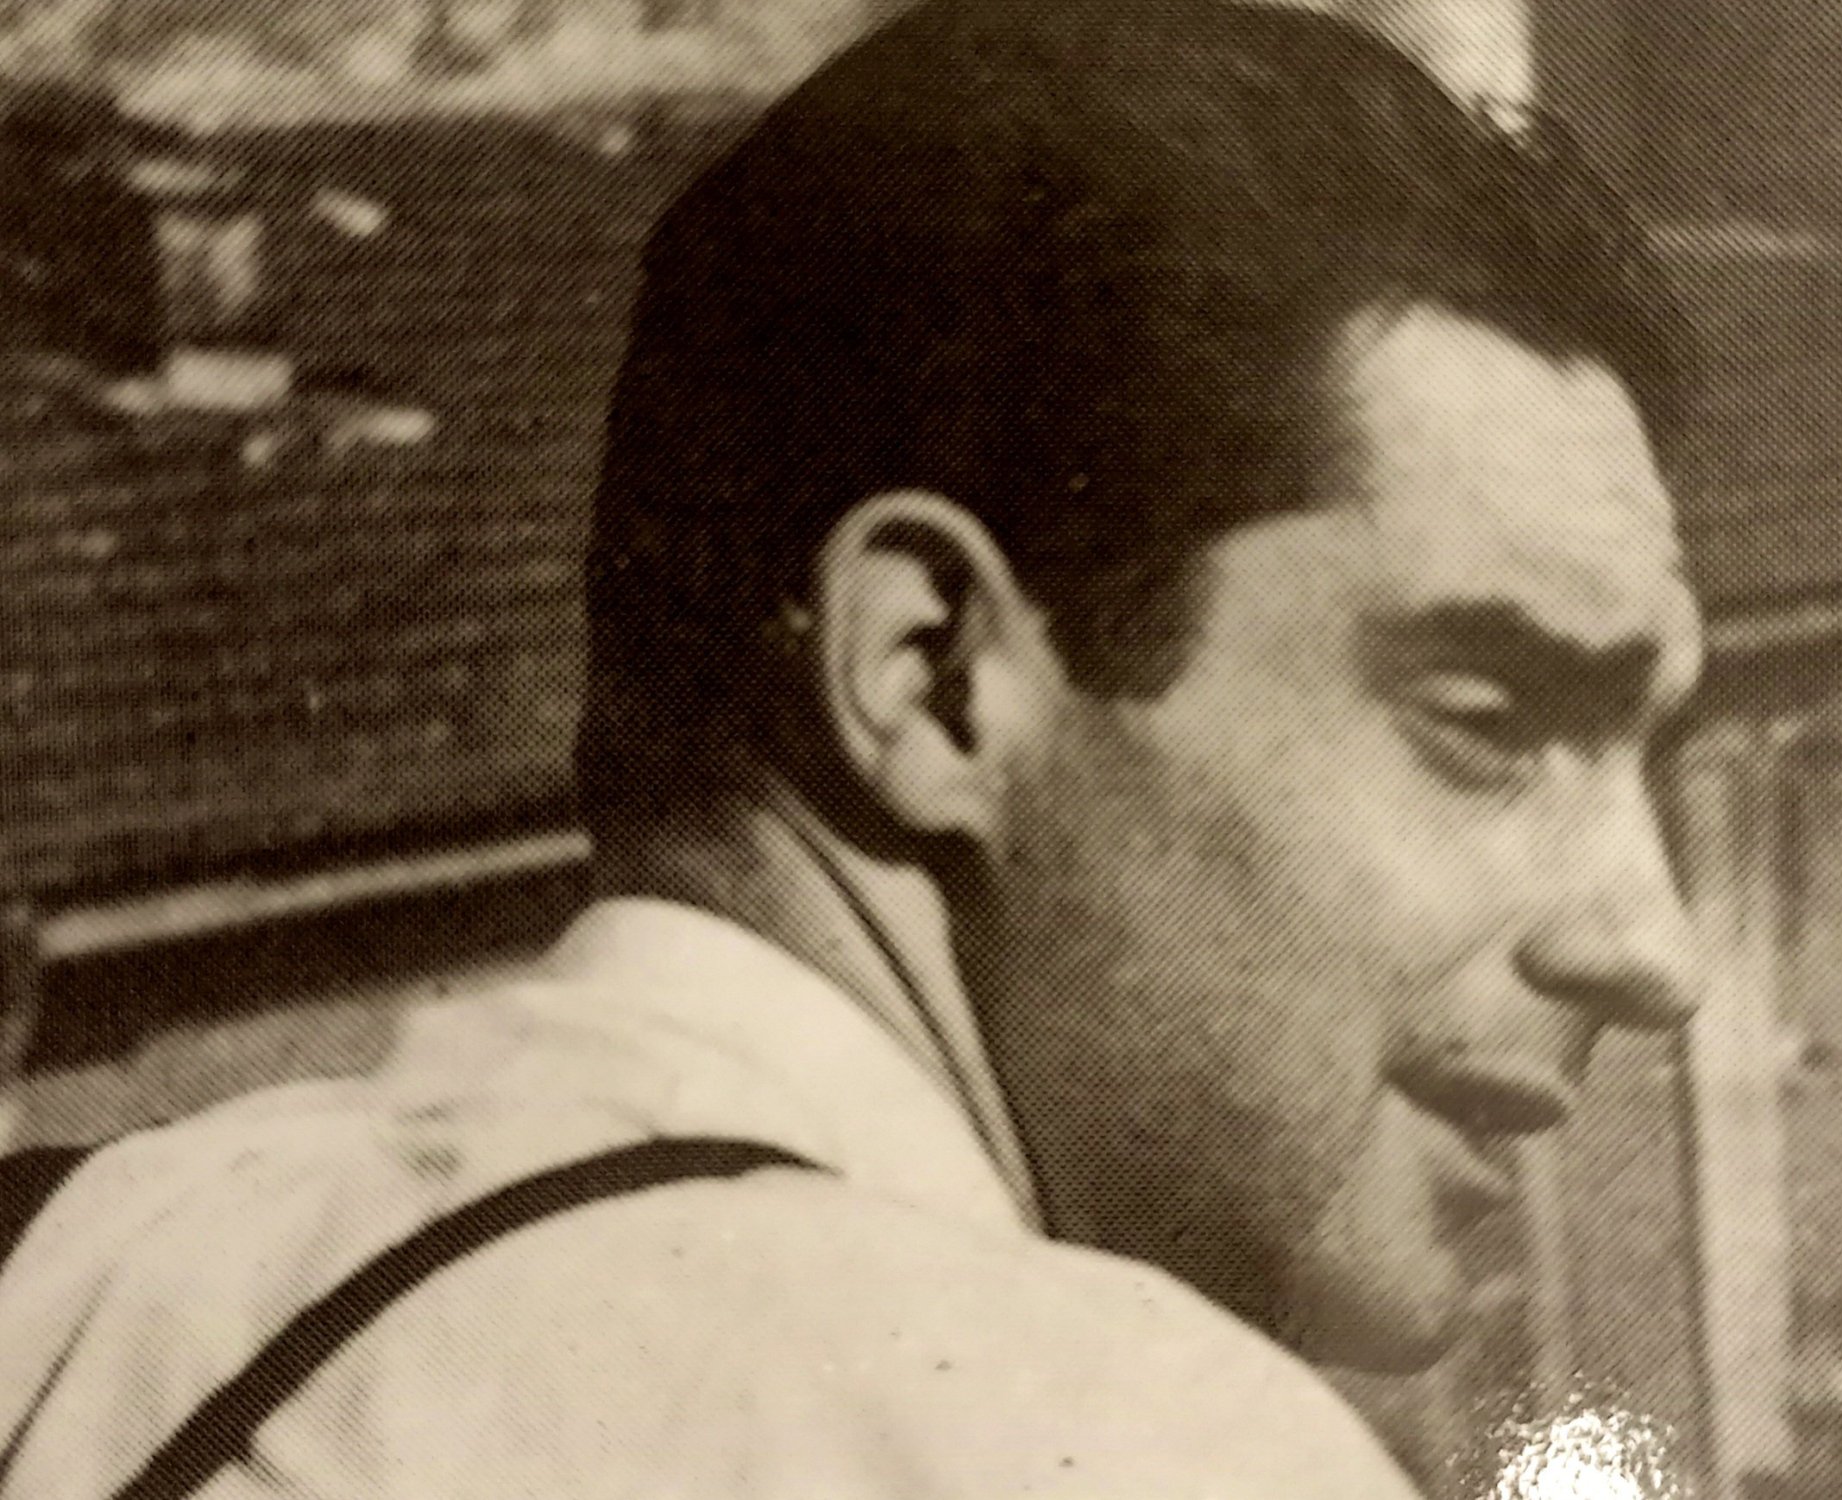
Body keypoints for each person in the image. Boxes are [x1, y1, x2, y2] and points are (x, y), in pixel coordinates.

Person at [0, 0, 1703, 1494]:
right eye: (1486, 724)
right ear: (933, 678)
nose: (1652, 949)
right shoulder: (1118, 1444)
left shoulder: (81, 1282)